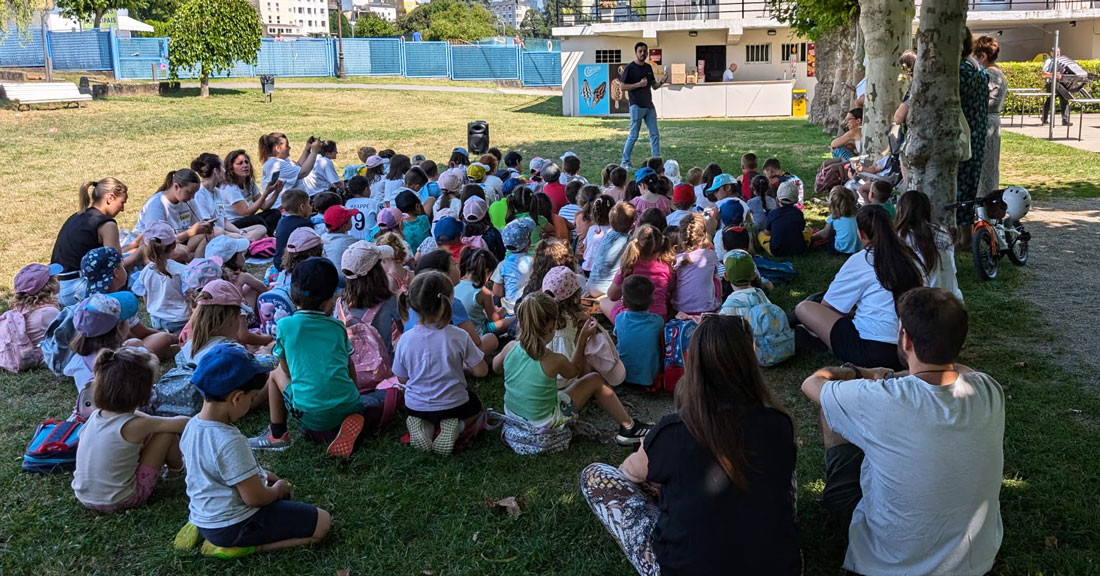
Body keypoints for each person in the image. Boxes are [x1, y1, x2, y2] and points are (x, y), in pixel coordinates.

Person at [800, 287, 1004, 575]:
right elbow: (963, 369)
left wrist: (861, 373)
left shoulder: (880, 398)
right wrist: (890, 376)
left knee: (831, 406)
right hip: (975, 561)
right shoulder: (989, 389)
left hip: (885, 562)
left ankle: (837, 494)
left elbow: (812, 384)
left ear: (905, 338)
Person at [581, 314, 800, 576]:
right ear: (750, 358)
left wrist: (656, 467)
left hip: (683, 567)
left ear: (693, 361)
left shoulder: (674, 431)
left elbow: (628, 473)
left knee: (594, 475)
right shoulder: (779, 423)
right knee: (780, 472)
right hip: (779, 568)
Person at [178, 343, 331, 558]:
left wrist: (264, 476)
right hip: (234, 525)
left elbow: (210, 473)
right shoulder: (229, 441)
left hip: (204, 515)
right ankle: (240, 547)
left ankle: (201, 529)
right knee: (322, 523)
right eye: (251, 398)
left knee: (271, 486)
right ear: (237, 398)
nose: (251, 403)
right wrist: (277, 489)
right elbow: (255, 498)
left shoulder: (191, 426)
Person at [494, 291, 651, 446]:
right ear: (550, 327)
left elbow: (496, 367)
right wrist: (582, 337)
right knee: (595, 380)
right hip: (543, 423)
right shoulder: (553, 360)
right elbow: (575, 370)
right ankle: (628, 427)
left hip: (514, 417)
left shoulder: (510, 348)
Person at [248, 257, 368, 459]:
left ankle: (277, 435)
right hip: (350, 404)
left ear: (294, 297)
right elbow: (349, 367)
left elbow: (285, 371)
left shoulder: (285, 326)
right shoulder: (337, 327)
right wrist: (355, 396)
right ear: (327, 301)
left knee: (275, 369)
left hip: (311, 413)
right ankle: (339, 423)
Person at [794, 205, 923, 369]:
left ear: (861, 234)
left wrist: (851, 313)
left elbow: (829, 307)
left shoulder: (864, 259)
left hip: (873, 352)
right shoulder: (911, 257)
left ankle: (822, 341)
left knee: (804, 308)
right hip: (912, 351)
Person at [71, 347, 187, 512]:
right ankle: (176, 472)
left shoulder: (96, 416)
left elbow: (141, 419)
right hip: (122, 499)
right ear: (143, 393)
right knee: (165, 434)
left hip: (85, 497)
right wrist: (204, 419)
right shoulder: (135, 425)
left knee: (153, 432)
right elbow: (176, 424)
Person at [394, 271, 489, 456]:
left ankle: (425, 427)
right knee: (475, 407)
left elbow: (402, 378)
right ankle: (457, 426)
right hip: (456, 405)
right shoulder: (458, 335)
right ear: (448, 302)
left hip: (416, 406)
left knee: (426, 412)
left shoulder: (404, 339)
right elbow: (481, 371)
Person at [50, 179, 140, 306]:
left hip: (57, 288)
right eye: (122, 203)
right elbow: (116, 264)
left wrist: (133, 246)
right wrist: (139, 254)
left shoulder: (77, 216)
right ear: (110, 198)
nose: (123, 209)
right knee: (132, 276)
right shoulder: (106, 224)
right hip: (78, 289)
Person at [339, 241, 403, 358]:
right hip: (384, 367)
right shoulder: (389, 301)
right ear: (377, 272)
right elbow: (403, 329)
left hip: (352, 369)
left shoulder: (341, 304)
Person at [133, 169, 214, 260]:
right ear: (176, 187)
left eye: (194, 193)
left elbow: (199, 223)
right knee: (181, 253)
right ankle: (193, 263)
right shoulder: (156, 205)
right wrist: (190, 232)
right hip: (155, 248)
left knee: (212, 233)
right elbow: (157, 243)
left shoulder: (188, 200)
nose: (193, 197)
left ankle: (196, 263)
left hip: (178, 242)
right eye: (190, 192)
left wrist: (205, 226)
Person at [896, 190, 962, 301]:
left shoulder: (900, 236)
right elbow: (952, 270)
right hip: (953, 300)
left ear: (901, 210)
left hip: (924, 304)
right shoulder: (943, 232)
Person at [600, 224, 673, 323]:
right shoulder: (666, 267)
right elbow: (669, 290)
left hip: (631, 320)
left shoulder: (628, 267)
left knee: (604, 302)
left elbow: (612, 296)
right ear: (659, 249)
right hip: (659, 319)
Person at [957, 27, 989, 242]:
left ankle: (963, 237)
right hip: (977, 132)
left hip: (963, 133)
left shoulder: (961, 70)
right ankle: (965, 236)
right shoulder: (977, 66)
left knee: (959, 185)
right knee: (968, 184)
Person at [139, 221, 191, 334]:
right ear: (174, 244)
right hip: (180, 321)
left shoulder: (145, 271)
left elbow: (145, 296)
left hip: (156, 320)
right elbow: (189, 297)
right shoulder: (183, 270)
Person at [614, 276, 665, 388]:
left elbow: (616, 334)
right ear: (652, 300)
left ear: (624, 302)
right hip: (649, 377)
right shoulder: (658, 321)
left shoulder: (619, 318)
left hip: (623, 375)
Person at [220, 150, 283, 236]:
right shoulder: (230, 188)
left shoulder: (249, 183)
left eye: (247, 162)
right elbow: (246, 212)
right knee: (256, 220)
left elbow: (264, 206)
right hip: (234, 224)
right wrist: (266, 193)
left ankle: (267, 234)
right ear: (231, 168)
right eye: (240, 163)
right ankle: (271, 237)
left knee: (274, 213)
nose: (245, 165)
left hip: (249, 219)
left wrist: (276, 192)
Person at [620, 42, 662, 170]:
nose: (643, 53)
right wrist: (638, 84)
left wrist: (662, 82)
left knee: (654, 134)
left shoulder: (648, 68)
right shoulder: (630, 68)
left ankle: (656, 163)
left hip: (649, 106)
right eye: (640, 51)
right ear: (636, 52)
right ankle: (625, 162)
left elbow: (654, 86)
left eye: (645, 51)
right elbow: (622, 87)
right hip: (636, 106)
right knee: (634, 135)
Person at [975, 35, 1007, 196]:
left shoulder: (989, 74)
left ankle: (983, 206)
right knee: (990, 167)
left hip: (986, 122)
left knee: (984, 169)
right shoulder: (998, 71)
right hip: (992, 121)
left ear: (983, 56)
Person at [671, 213, 720, 315]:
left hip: (680, 309)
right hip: (707, 309)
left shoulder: (677, 259)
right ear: (705, 234)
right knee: (716, 277)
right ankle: (718, 303)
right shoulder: (710, 255)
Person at [258, 133, 322, 208]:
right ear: (278, 148)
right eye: (287, 145)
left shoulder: (281, 161)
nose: (289, 147)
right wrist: (314, 151)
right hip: (282, 207)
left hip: (288, 204)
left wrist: (307, 150)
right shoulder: (276, 164)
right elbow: (303, 172)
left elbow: (299, 166)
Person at [585, 202, 636, 297]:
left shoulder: (608, 234)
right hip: (608, 289)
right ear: (633, 225)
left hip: (591, 284)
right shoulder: (629, 241)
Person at [8, 263, 61, 352]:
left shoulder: (22, 307)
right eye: (55, 278)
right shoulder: (48, 312)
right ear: (49, 285)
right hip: (40, 356)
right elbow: (64, 336)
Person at [491, 218, 536, 315]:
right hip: (531, 307)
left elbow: (497, 293)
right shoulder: (535, 262)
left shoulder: (503, 265)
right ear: (528, 244)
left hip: (510, 310)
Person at [759, 182, 809, 257]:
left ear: (777, 198)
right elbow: (801, 228)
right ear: (796, 199)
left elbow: (767, 233)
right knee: (808, 231)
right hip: (799, 249)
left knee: (761, 235)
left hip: (776, 251)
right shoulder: (798, 213)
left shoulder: (773, 213)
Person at [271, 189, 313, 272]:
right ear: (302, 207)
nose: (311, 207)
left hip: (278, 261)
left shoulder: (281, 221)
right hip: (292, 264)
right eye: (309, 204)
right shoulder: (305, 224)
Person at [812, 186, 862, 255]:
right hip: (859, 248)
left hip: (841, 249)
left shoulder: (834, 217)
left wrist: (812, 237)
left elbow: (825, 234)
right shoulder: (859, 214)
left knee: (829, 239)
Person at [1041, 47, 1077, 127]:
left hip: (1062, 84)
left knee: (1064, 100)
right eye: (1055, 52)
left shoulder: (1064, 61)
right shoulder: (1049, 61)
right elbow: (1043, 74)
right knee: (1050, 101)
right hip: (1051, 83)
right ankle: (1044, 118)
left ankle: (1065, 120)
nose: (1057, 53)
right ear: (1051, 53)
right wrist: (1054, 75)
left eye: (1059, 52)